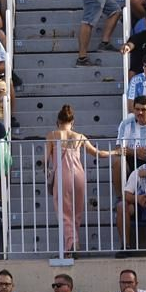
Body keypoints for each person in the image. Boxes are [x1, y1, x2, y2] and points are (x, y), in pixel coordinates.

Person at [46, 105, 116, 253]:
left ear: (58, 121)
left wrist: (47, 172)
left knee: (64, 212)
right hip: (79, 174)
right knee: (76, 212)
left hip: (62, 175)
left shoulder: (52, 135)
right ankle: (72, 245)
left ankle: (72, 244)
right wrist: (115, 152)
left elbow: (45, 159)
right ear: (73, 122)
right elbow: (97, 153)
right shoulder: (80, 136)